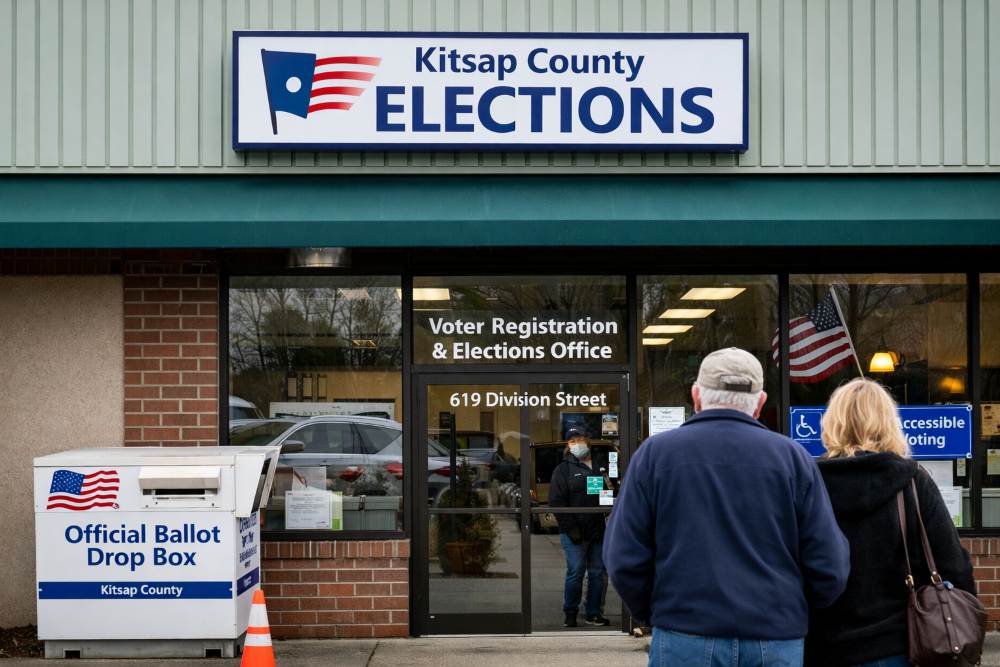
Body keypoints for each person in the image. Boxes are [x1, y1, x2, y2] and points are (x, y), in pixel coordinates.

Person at [604, 347, 850, 666]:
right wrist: (790, 610)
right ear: (760, 403)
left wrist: (656, 610)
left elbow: (623, 556)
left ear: (696, 396)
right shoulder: (793, 459)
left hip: (684, 633)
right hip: (774, 636)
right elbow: (829, 563)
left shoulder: (656, 455)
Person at [805, 378, 976, 667]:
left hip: (823, 645)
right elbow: (952, 565)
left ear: (832, 423)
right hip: (902, 644)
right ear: (890, 423)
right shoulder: (912, 481)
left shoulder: (809, 483)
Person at [549, 428, 610, 628]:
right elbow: (557, 502)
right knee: (575, 571)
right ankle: (570, 612)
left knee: (597, 573)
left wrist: (610, 490)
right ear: (568, 445)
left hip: (597, 529)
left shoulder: (599, 467)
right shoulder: (563, 470)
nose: (578, 443)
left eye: (581, 439)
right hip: (573, 532)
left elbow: (607, 494)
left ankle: (593, 612)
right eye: (573, 440)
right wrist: (570, 528)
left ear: (588, 441)